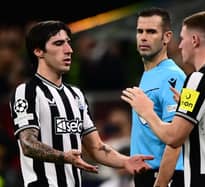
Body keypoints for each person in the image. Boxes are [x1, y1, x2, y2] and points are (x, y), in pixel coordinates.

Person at [9, 20, 153, 187]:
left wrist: (126, 161)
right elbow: (27, 143)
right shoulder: (27, 91)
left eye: (68, 43)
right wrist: (64, 157)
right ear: (38, 51)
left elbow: (96, 148)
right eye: (58, 43)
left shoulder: (75, 95)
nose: (69, 50)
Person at [122, 11, 205, 187]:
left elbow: (174, 137)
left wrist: (146, 111)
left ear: (195, 40)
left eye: (182, 38)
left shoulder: (197, 80)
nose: (180, 45)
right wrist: (185, 106)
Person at [130, 7, 186, 187]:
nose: (143, 37)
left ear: (167, 37)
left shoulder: (173, 76)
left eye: (151, 32)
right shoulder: (149, 74)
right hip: (146, 175)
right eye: (140, 31)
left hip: (165, 176)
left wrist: (160, 183)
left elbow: (176, 138)